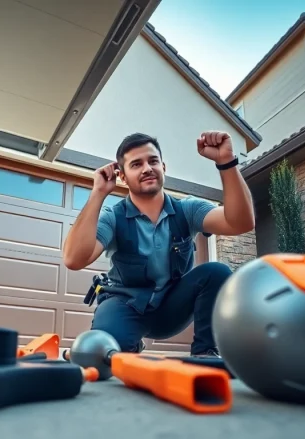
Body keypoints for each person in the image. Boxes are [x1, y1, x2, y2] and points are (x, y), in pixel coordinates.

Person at [63, 131, 255, 358]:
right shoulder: (113, 217)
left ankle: (207, 354)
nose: (147, 168)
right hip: (125, 305)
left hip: (171, 308)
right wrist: (98, 194)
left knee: (216, 272)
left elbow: (241, 223)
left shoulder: (187, 210)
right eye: (136, 164)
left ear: (163, 167)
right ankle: (130, 344)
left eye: (153, 161)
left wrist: (226, 162)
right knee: (104, 356)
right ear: (122, 177)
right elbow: (73, 259)